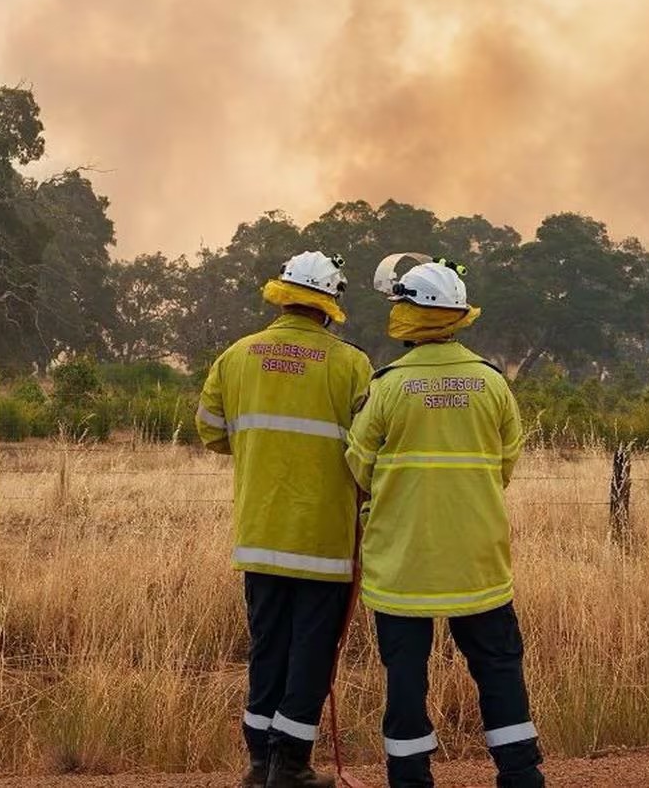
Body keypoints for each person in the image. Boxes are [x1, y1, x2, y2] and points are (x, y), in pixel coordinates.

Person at [345, 258, 545, 788]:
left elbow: (358, 464)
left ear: (408, 315)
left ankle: (410, 779)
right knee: (500, 670)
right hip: (478, 564)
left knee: (406, 680)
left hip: (403, 568)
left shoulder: (386, 386)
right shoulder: (493, 384)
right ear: (458, 316)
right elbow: (505, 465)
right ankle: (521, 775)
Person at [196, 251, 373, 788]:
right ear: (329, 305)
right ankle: (291, 766)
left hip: (260, 535)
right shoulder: (351, 365)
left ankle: (257, 763)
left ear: (281, 295)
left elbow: (209, 430)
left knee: (266, 646)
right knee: (311, 651)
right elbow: (370, 452)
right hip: (324, 543)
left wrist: (261, 450)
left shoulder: (236, 356)